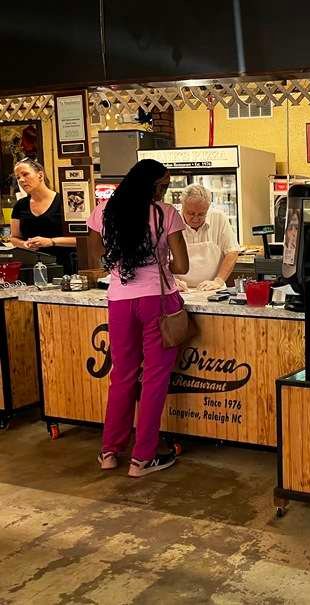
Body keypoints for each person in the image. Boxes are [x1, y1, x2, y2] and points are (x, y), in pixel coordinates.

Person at [87, 159, 189, 478]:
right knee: (155, 378)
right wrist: (160, 263)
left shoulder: (104, 211)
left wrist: (122, 265)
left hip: (119, 300)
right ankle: (143, 457)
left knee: (122, 375)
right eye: (162, 186)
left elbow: (94, 256)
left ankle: (109, 451)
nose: (164, 191)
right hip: (158, 300)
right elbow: (182, 266)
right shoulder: (165, 213)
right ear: (150, 185)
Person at [10, 158, 77, 273]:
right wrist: (24, 244)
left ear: (40, 175)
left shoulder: (65, 202)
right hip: (31, 267)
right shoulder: (20, 205)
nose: (21, 180)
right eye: (18, 177)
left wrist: (51, 241)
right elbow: (14, 237)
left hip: (64, 266)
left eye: (25, 174)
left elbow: (81, 240)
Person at [174, 184, 239, 291]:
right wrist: (171, 281)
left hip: (213, 289)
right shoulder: (172, 221)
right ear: (182, 207)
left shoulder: (219, 218)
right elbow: (160, 259)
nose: (196, 218)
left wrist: (218, 281)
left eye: (201, 214)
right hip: (180, 290)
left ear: (208, 208)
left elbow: (232, 252)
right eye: (191, 213)